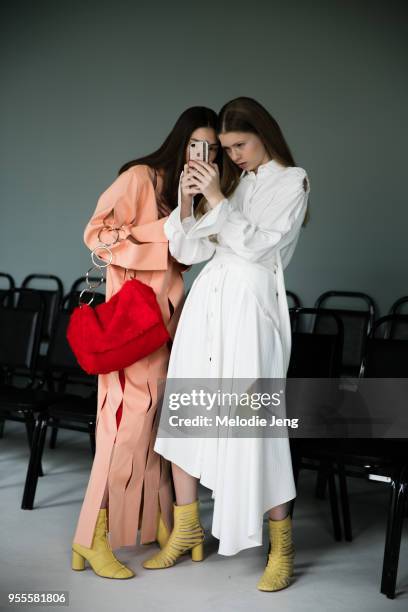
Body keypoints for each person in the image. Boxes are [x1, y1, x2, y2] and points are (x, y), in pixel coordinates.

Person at [142, 97, 310, 592]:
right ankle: (187, 524)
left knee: (255, 424)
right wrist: (191, 201)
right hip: (209, 304)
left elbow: (261, 246)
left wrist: (217, 199)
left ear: (264, 135)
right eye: (226, 148)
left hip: (251, 308)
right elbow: (189, 250)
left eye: (239, 145)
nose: (232, 155)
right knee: (187, 410)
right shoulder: (231, 184)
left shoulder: (293, 180)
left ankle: (282, 547)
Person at [71, 107, 221, 579]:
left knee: (154, 430)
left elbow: (187, 259)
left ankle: (160, 525)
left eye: (212, 149)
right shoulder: (140, 177)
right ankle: (91, 538)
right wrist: (166, 232)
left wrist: (190, 214)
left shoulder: (191, 192)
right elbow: (96, 236)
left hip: (167, 325)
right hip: (131, 322)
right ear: (180, 141)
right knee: (123, 427)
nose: (203, 155)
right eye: (196, 145)